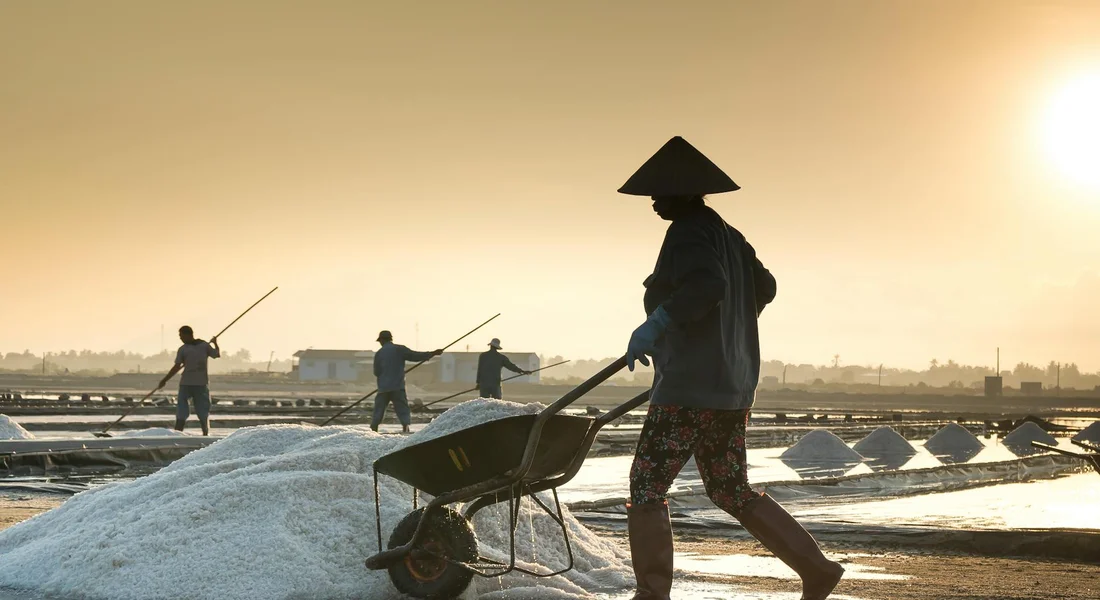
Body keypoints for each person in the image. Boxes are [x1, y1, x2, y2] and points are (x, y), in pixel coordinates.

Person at [619, 136, 844, 600]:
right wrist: (728, 331)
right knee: (730, 488)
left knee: (646, 484)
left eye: (659, 195)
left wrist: (658, 322)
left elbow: (706, 285)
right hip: (731, 388)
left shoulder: (686, 231)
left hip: (687, 389)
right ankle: (816, 569)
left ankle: (652, 592)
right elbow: (765, 285)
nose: (654, 204)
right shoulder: (730, 234)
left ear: (682, 193)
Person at [372, 330, 442, 433]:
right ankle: (405, 427)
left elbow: (376, 372)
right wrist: (432, 354)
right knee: (402, 408)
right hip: (397, 387)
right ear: (390, 339)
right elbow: (415, 356)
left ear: (382, 340)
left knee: (379, 410)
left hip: (383, 388)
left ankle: (374, 429)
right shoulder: (399, 349)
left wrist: (385, 375)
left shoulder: (379, 353)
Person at [158, 325, 220, 436]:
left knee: (203, 411)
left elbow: (216, 355)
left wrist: (215, 342)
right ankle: (177, 434)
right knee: (181, 411)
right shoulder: (183, 349)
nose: (180, 338)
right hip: (186, 383)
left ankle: (205, 434)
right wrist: (164, 380)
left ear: (188, 334)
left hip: (201, 384)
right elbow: (177, 366)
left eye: (181, 336)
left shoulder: (204, 346)